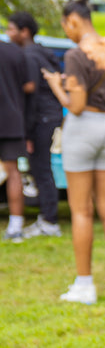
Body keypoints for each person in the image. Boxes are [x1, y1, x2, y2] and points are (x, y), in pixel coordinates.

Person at [42, 0, 105, 304]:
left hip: (83, 128)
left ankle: (85, 285)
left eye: (65, 26)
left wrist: (57, 87)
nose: (66, 32)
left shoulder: (75, 54)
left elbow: (76, 106)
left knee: (81, 210)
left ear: (73, 21)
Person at [6, 12, 64, 238]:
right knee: (42, 167)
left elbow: (31, 94)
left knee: (41, 168)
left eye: (12, 29)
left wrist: (27, 132)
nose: (9, 34)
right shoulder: (42, 51)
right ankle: (47, 217)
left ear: (24, 31)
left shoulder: (29, 56)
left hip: (40, 117)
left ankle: (49, 221)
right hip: (51, 115)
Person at [0, 39, 35, 242]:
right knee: (13, 172)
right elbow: (29, 85)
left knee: (12, 173)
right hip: (12, 119)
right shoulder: (14, 51)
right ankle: (16, 225)